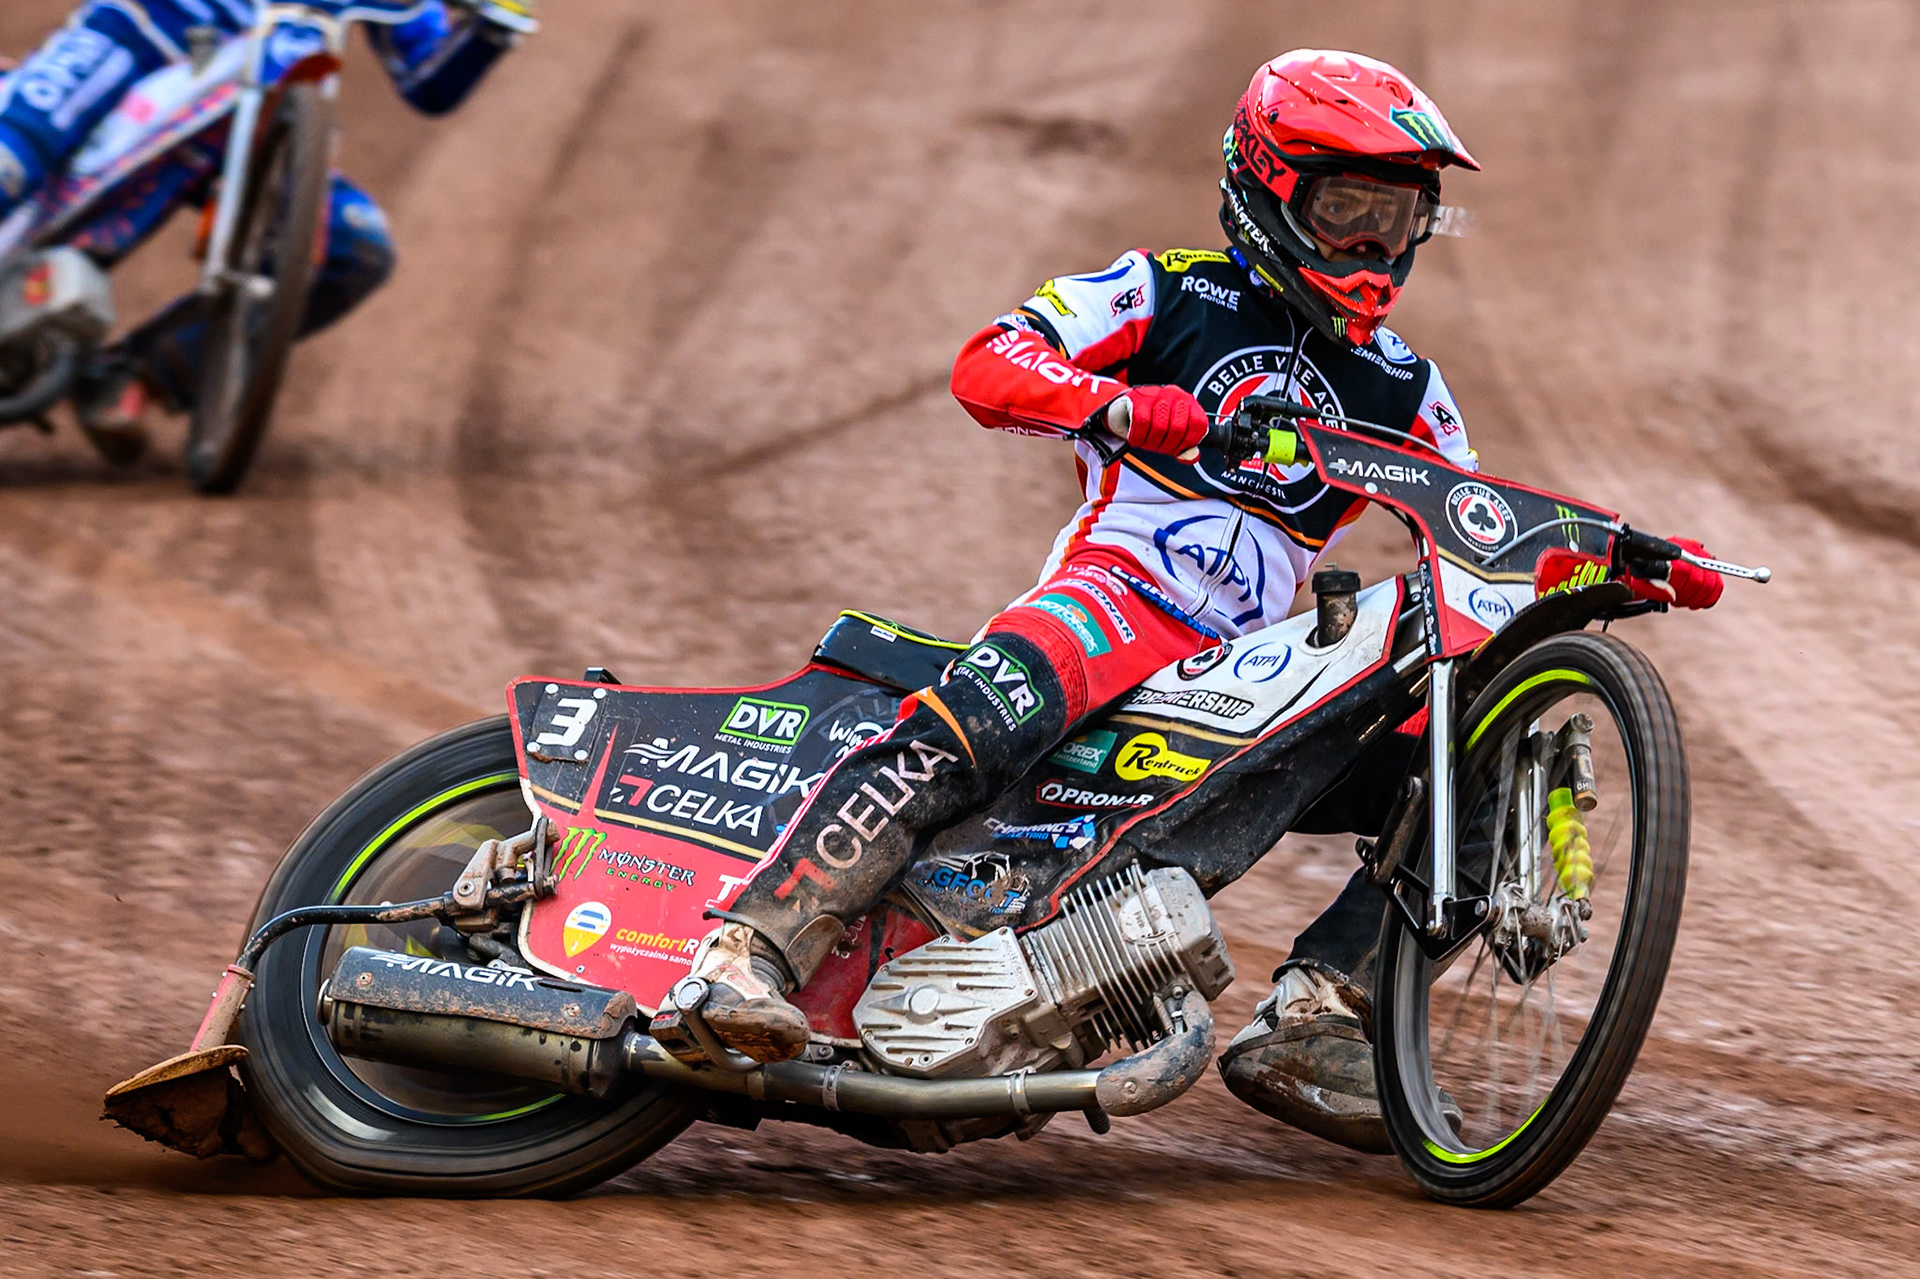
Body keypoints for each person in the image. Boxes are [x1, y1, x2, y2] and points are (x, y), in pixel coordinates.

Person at [680, 50, 1726, 1151]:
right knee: (970, 728)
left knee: (1476, 748)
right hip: (1112, 600)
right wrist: (1121, 409)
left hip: (1246, 671)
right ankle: (747, 950)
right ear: (1270, 190)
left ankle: (1323, 1012)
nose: (1374, 245)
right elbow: (988, 363)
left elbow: (1476, 523)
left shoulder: (1408, 385)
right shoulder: (1168, 287)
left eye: (1398, 216)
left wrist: (1629, 554)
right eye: (1347, 210)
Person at [0, 0, 536, 464]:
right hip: (142, 39)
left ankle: (134, 376)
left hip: (246, 119)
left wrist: (493, 27)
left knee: (354, 247)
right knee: (10, 164)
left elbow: (429, 83)